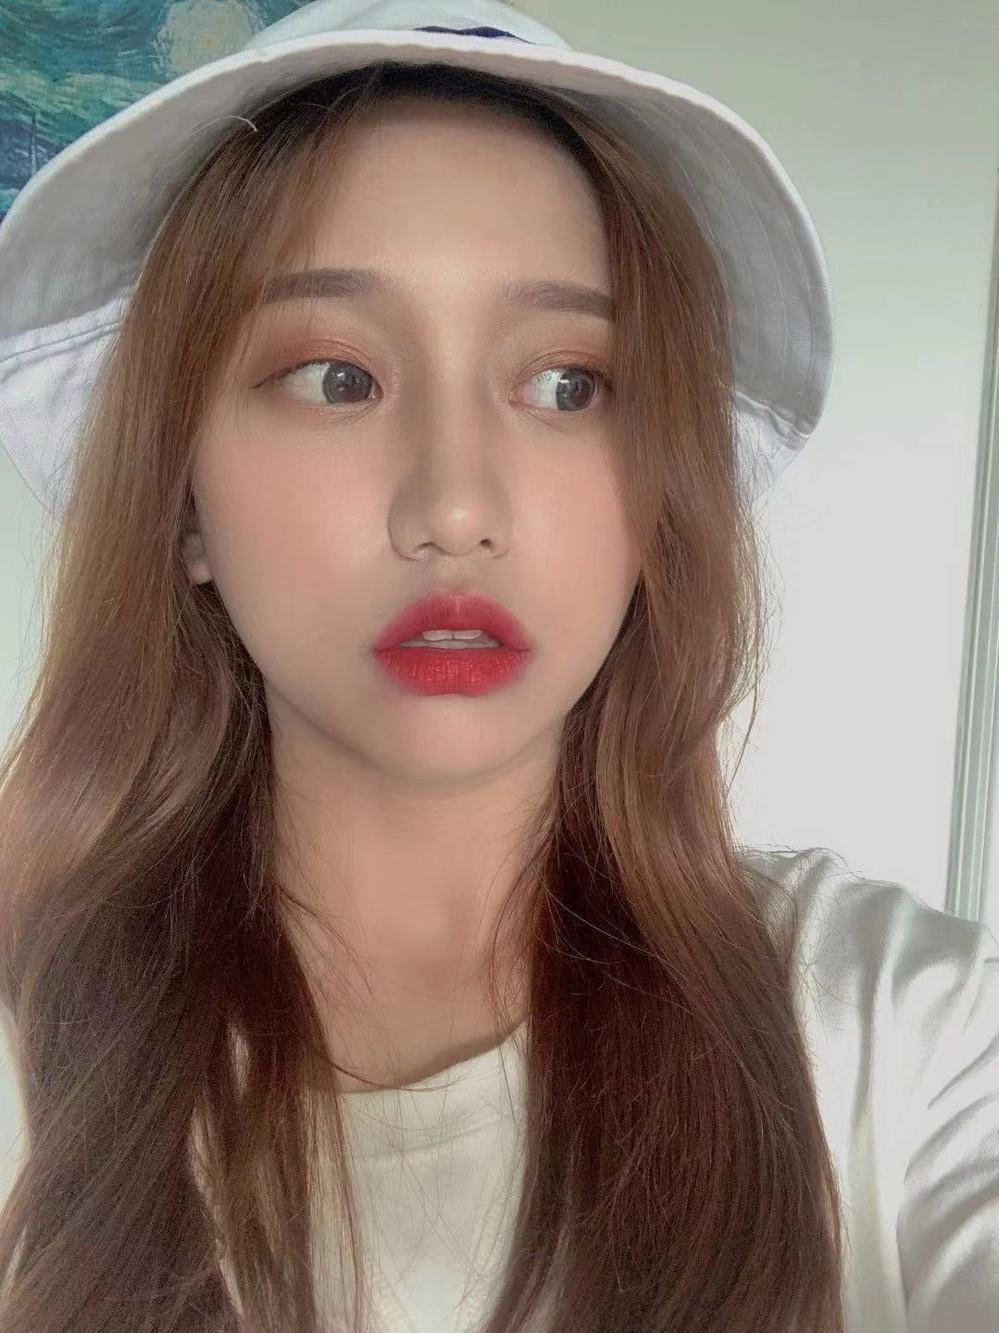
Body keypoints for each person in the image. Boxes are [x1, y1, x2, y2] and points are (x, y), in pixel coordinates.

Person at [0, 3, 995, 1332]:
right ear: (184, 506)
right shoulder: (30, 1049)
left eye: (569, 385)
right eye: (336, 378)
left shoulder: (892, 1029)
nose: (457, 507)